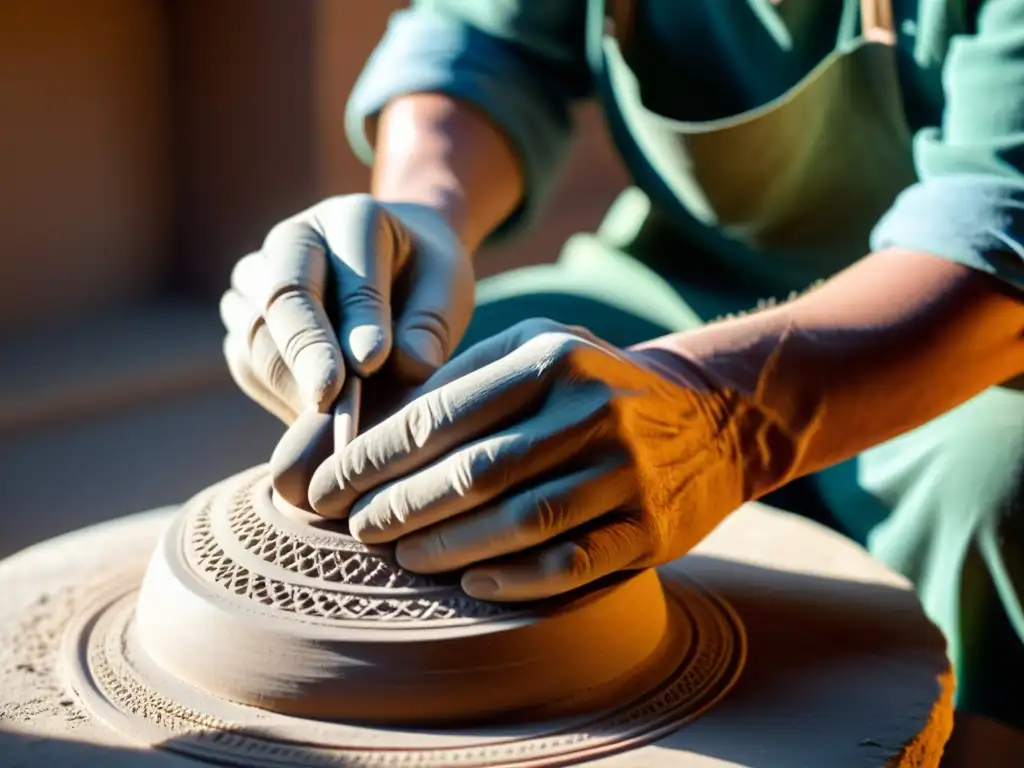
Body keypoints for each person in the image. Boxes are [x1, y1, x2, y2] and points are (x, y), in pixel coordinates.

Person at [218, 0, 1024, 730]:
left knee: (998, 487)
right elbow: (483, 40)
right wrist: (418, 213)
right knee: (440, 403)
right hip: (678, 279)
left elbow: (998, 229)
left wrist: (723, 420)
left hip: (960, 335)